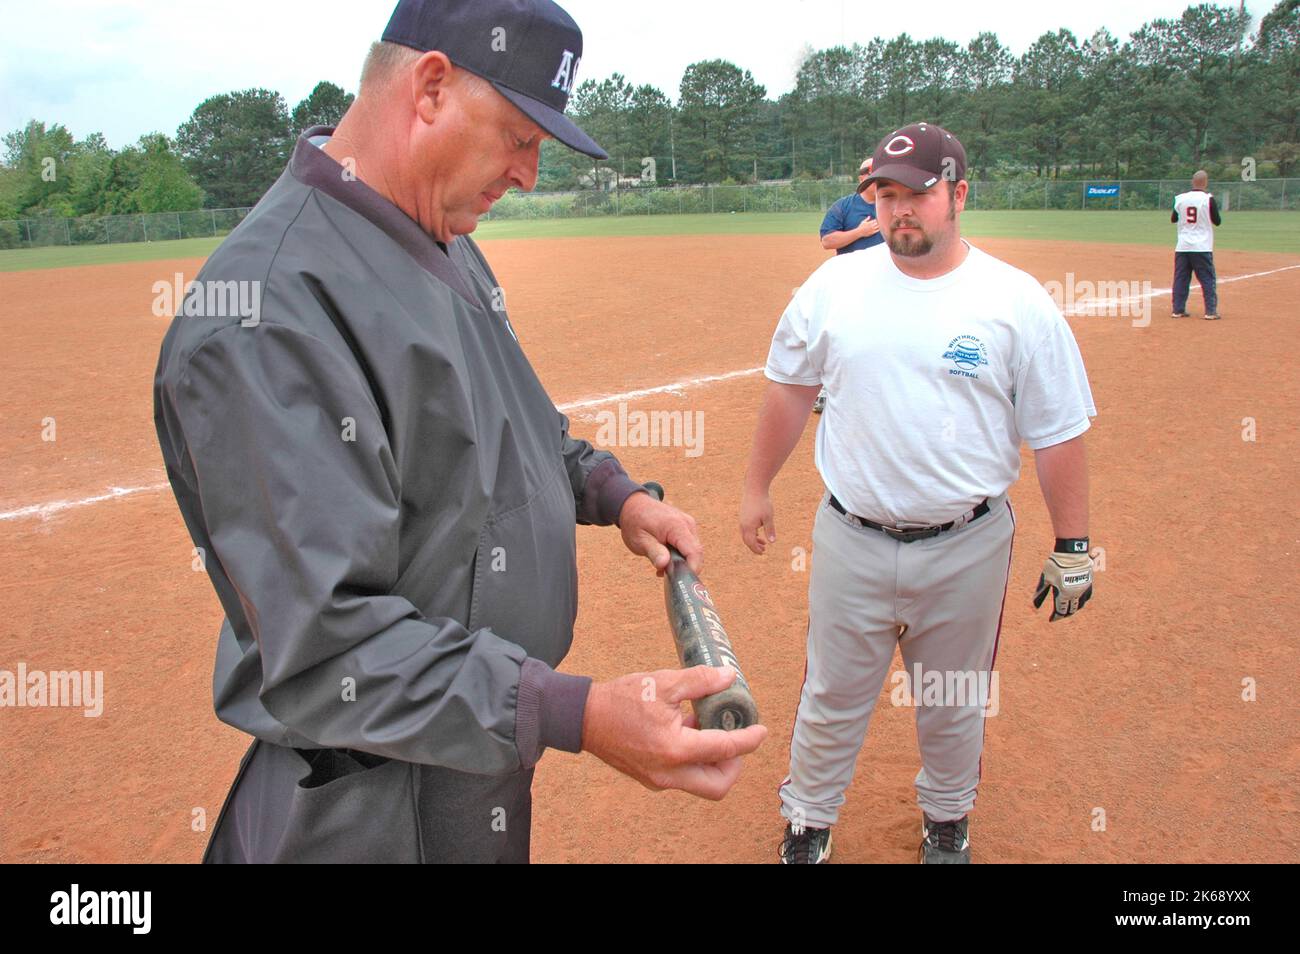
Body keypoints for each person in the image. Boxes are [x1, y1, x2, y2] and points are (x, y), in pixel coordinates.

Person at [153, 0, 764, 865]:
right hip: (367, 806)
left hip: (466, 766)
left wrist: (611, 494)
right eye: (519, 137)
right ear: (432, 87)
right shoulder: (268, 311)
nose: (528, 176)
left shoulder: (431, 231)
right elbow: (328, 647)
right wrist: (569, 713)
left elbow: (510, 422)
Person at [739, 122, 1097, 864]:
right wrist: (756, 487)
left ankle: (946, 820)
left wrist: (1073, 545)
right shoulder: (834, 286)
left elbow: (1058, 429)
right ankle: (808, 820)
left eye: (918, 195)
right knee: (832, 694)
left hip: (966, 544)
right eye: (887, 195)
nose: (900, 209)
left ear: (958, 195)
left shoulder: (1014, 302)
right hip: (852, 536)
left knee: (952, 700)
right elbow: (788, 392)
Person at [812, 157, 883, 414]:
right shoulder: (844, 207)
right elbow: (828, 240)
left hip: (886, 284)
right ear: (863, 177)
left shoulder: (895, 206)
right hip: (849, 285)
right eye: (874, 174)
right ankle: (826, 390)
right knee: (841, 338)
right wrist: (860, 233)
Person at [1170, 170, 1223, 319]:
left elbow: (1174, 219)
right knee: (1207, 278)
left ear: (1192, 182)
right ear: (1205, 183)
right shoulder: (1208, 199)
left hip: (1183, 246)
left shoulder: (1180, 198)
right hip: (1202, 246)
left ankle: (1178, 309)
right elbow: (1217, 221)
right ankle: (1210, 311)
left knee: (1181, 278)